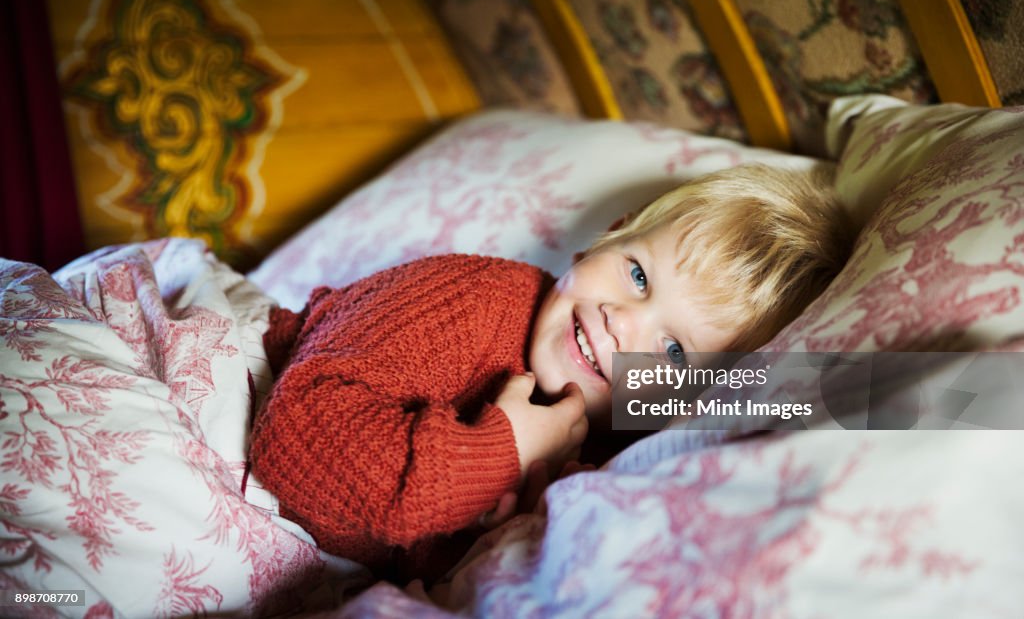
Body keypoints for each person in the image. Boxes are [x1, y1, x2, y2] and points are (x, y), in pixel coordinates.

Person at [248, 163, 854, 581]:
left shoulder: (629, 451)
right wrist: (498, 455)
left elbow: (836, 397)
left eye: (673, 352)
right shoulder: (473, 300)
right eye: (638, 276)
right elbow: (297, 445)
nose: (623, 323)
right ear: (607, 239)